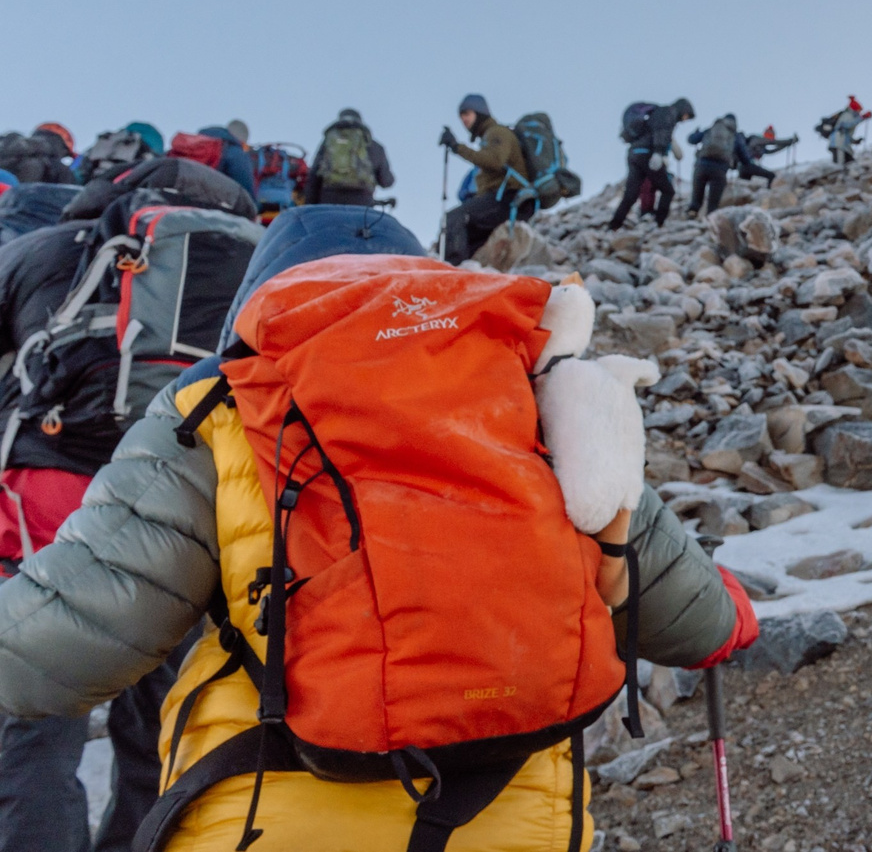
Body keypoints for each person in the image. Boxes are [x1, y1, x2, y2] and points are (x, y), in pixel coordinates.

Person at [0, 205, 758, 851]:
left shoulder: (222, 405)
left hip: (267, 821)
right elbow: (696, 619)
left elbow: (55, 647)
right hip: (517, 826)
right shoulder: (540, 394)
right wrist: (735, 610)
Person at [0, 168, 258, 851]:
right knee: (160, 715)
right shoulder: (251, 262)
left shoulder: (49, 248)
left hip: (53, 488)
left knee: (40, 714)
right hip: (187, 492)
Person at [439, 93, 531, 260]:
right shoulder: (489, 136)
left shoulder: (497, 133)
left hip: (509, 198)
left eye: (467, 113)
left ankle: (451, 268)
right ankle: (466, 268)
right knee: (469, 236)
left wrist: (456, 147)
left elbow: (494, 161)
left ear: (479, 112)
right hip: (503, 199)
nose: (463, 120)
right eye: (461, 116)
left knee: (452, 219)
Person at [606, 98, 691, 231]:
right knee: (668, 190)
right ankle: (659, 223)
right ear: (683, 109)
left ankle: (613, 226)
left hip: (634, 153)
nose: (685, 119)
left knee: (631, 194)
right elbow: (661, 132)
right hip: (648, 154)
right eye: (686, 116)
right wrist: (658, 152)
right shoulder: (667, 113)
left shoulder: (655, 114)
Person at [300, 108, 394, 207]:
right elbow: (386, 181)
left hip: (329, 199)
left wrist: (310, 204)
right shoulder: (374, 146)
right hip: (362, 202)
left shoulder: (328, 142)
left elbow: (314, 176)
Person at [686, 112, 740, 217]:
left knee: (696, 197)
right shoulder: (734, 135)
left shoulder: (710, 130)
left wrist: (695, 133)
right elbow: (743, 155)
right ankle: (710, 219)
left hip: (702, 166)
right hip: (720, 169)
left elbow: (691, 140)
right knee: (713, 203)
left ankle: (693, 212)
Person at [818, 96, 872, 165]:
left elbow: (846, 134)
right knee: (839, 163)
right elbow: (847, 125)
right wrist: (862, 118)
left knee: (850, 163)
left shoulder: (851, 116)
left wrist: (854, 141)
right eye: (859, 110)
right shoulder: (847, 115)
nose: (859, 112)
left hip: (844, 145)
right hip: (838, 143)